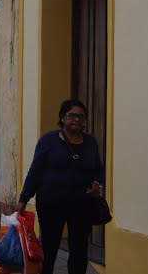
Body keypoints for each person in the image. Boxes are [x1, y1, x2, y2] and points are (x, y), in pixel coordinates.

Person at [16, 99, 104, 274]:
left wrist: (97, 183)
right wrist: (24, 199)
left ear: (85, 120)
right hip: (51, 204)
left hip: (81, 205)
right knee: (49, 248)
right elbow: (35, 171)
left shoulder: (90, 143)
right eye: (71, 115)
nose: (76, 120)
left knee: (79, 250)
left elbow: (98, 169)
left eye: (81, 116)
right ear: (62, 118)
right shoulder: (48, 141)